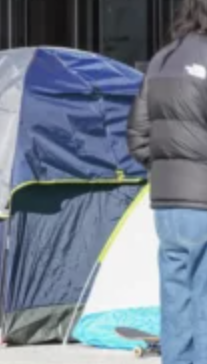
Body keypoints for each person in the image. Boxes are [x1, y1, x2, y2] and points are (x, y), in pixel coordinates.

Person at [128, 1, 207, 363]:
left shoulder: (161, 60)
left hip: (167, 203)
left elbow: (137, 137)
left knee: (176, 302)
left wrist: (167, 169)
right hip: (203, 200)